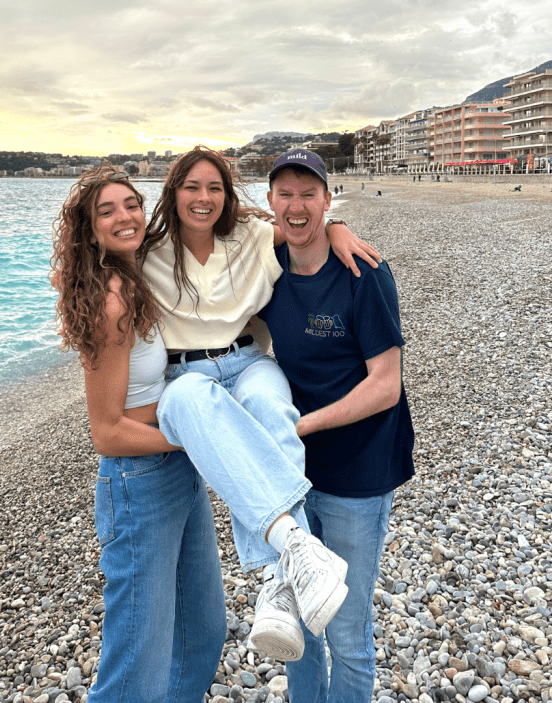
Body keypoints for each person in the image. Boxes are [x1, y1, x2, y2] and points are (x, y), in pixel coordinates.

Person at [141, 147, 382, 661]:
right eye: (192, 187)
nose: (203, 199)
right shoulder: (149, 251)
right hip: (187, 371)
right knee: (183, 397)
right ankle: (296, 554)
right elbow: (97, 255)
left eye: (214, 188)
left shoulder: (249, 236)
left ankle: (277, 582)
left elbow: (303, 224)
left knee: (274, 413)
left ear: (228, 196)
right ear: (173, 192)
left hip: (249, 360)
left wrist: (337, 227)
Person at [51, 168, 227, 703]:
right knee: (136, 664)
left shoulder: (135, 272)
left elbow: (201, 228)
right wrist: (191, 438)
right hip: (138, 481)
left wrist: (328, 227)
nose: (125, 216)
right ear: (90, 228)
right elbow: (105, 433)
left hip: (177, 470)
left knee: (203, 632)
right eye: (107, 211)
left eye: (131, 204)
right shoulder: (110, 300)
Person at [259, 150, 415, 703]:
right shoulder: (269, 264)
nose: (296, 206)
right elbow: (209, 225)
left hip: (357, 469)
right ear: (269, 201)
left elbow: (385, 385)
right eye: (285, 194)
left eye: (309, 194)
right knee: (297, 624)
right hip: (295, 474)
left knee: (347, 630)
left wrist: (301, 426)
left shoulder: (363, 273)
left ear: (329, 199)